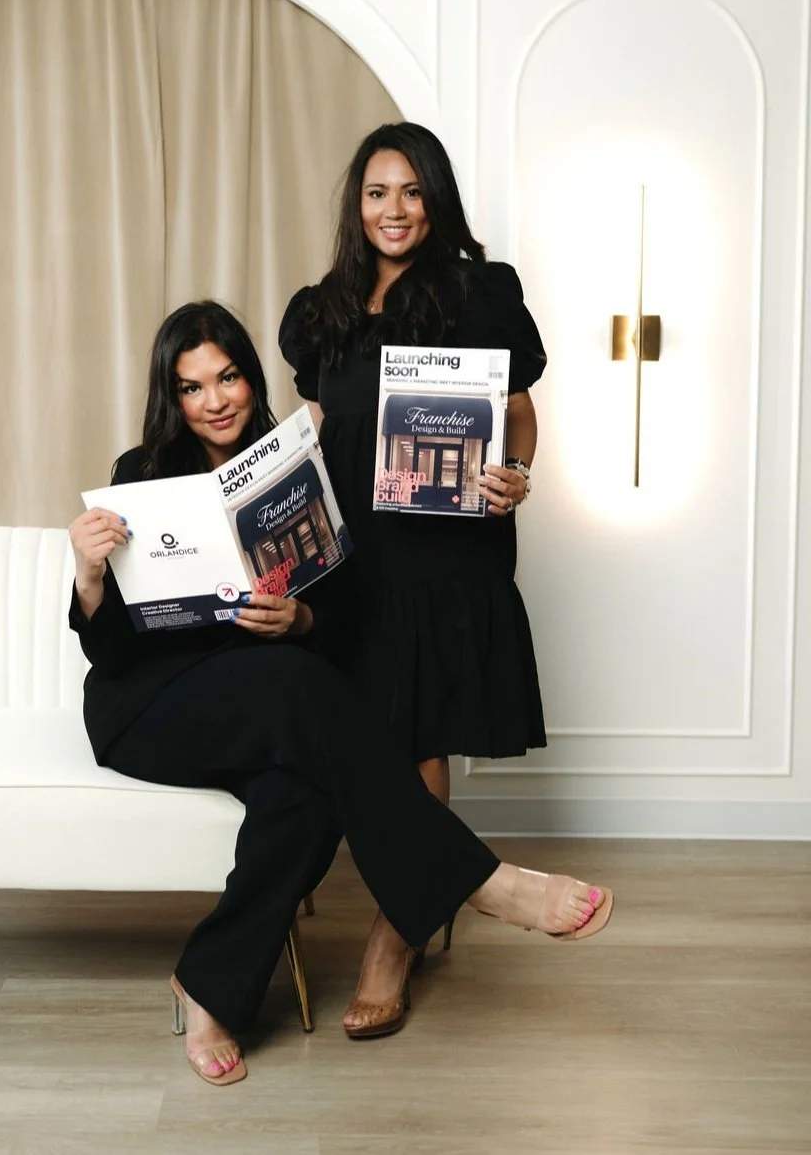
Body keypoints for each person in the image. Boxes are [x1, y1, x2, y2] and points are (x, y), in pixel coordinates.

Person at [69, 299, 612, 1086]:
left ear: (252, 380)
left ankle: (206, 984)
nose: (216, 400)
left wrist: (301, 615)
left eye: (228, 378)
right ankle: (477, 878)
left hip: (265, 713)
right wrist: (88, 576)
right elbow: (111, 648)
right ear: (171, 397)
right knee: (296, 679)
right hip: (150, 707)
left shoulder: (296, 469)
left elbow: (347, 614)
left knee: (307, 797)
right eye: (192, 387)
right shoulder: (138, 476)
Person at [279, 122, 549, 1036]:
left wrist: (514, 476)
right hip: (350, 557)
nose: (393, 210)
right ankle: (432, 893)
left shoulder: (481, 292)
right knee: (372, 728)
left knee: (417, 725)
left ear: (435, 199)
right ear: (356, 206)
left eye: (410, 192)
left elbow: (516, 413)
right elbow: (313, 417)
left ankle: (395, 933)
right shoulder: (321, 309)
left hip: (441, 554)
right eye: (375, 193)